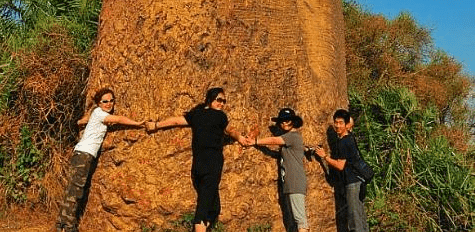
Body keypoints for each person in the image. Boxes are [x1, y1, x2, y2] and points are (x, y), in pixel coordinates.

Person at [146, 86, 246, 232]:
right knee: (203, 211)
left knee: (214, 208)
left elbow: (176, 121)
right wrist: (240, 138)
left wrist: (156, 125)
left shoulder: (196, 115)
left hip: (197, 167)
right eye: (219, 100)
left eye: (224, 101)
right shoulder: (220, 116)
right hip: (212, 164)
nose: (222, 104)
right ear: (210, 99)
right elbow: (230, 130)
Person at [56, 87, 144, 232]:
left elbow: (85, 119)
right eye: (105, 101)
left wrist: (80, 122)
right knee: (76, 191)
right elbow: (118, 119)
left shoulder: (95, 113)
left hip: (82, 154)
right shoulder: (100, 113)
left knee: (73, 189)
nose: (109, 104)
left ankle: (62, 225)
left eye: (111, 101)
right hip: (83, 155)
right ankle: (68, 227)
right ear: (99, 103)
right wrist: (137, 123)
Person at [247, 107, 309, 232]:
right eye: (282, 121)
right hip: (291, 183)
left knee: (300, 220)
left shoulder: (293, 136)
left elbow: (274, 140)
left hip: (295, 182)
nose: (284, 123)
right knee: (296, 220)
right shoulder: (290, 138)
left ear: (293, 121)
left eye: (287, 120)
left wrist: (254, 141)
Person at [315, 109, 369, 232]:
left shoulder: (344, 142)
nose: (337, 126)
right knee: (360, 217)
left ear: (346, 124)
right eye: (336, 122)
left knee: (354, 220)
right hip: (359, 181)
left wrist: (324, 157)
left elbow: (340, 165)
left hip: (353, 183)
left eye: (340, 123)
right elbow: (351, 122)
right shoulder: (350, 136)